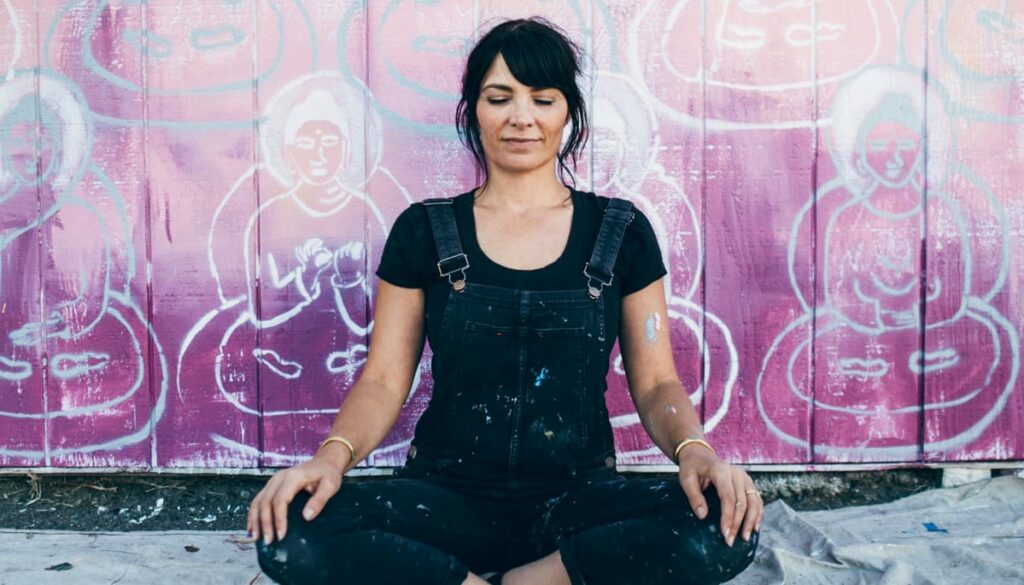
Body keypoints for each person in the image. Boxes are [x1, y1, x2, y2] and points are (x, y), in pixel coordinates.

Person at [248, 17, 761, 585]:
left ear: (568, 111)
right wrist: (330, 459)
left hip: (578, 500)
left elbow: (657, 382)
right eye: (499, 98)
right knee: (290, 530)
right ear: (473, 110)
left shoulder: (621, 231)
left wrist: (696, 452)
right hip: (445, 499)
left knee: (724, 524)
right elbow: (384, 381)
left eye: (542, 99)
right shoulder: (424, 230)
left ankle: (525, 580)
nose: (521, 117)